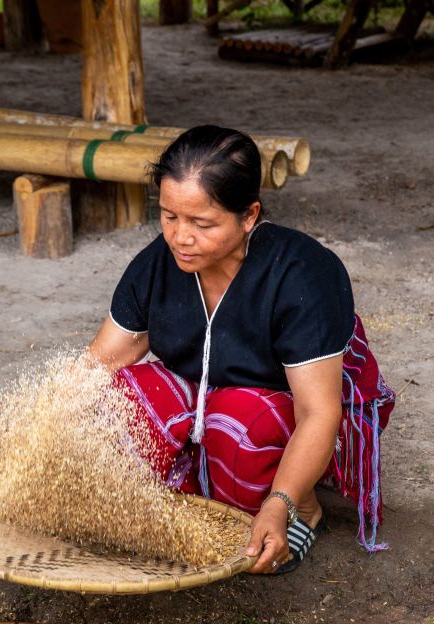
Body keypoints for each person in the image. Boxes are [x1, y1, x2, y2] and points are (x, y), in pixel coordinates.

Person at [89, 125, 395, 575]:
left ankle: (305, 507)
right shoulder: (158, 264)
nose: (180, 237)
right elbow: (97, 366)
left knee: (238, 424)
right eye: (169, 216)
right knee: (113, 403)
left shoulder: (303, 274)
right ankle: (205, 480)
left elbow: (319, 412)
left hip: (284, 407)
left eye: (201, 223)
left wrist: (281, 501)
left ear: (249, 215)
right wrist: (36, 428)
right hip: (205, 392)